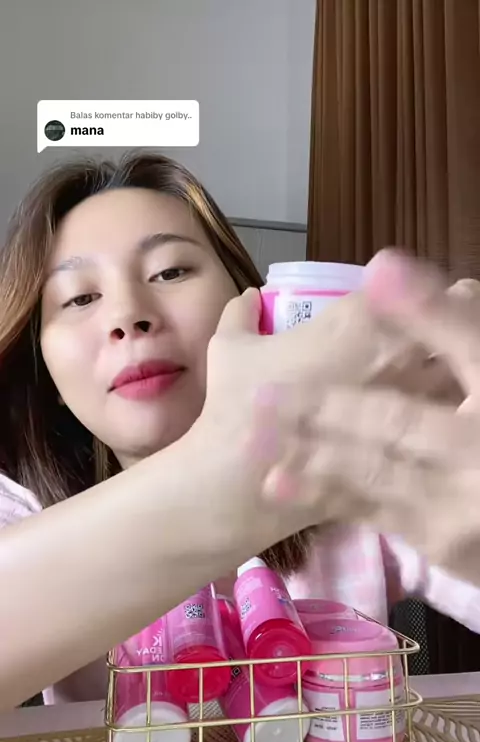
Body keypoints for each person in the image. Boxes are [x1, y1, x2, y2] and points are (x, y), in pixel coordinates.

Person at [0, 150, 477, 710]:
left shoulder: (359, 473)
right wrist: (222, 475)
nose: (128, 314)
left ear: (253, 307)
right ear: (48, 378)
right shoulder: (21, 507)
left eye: (170, 272)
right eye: (80, 298)